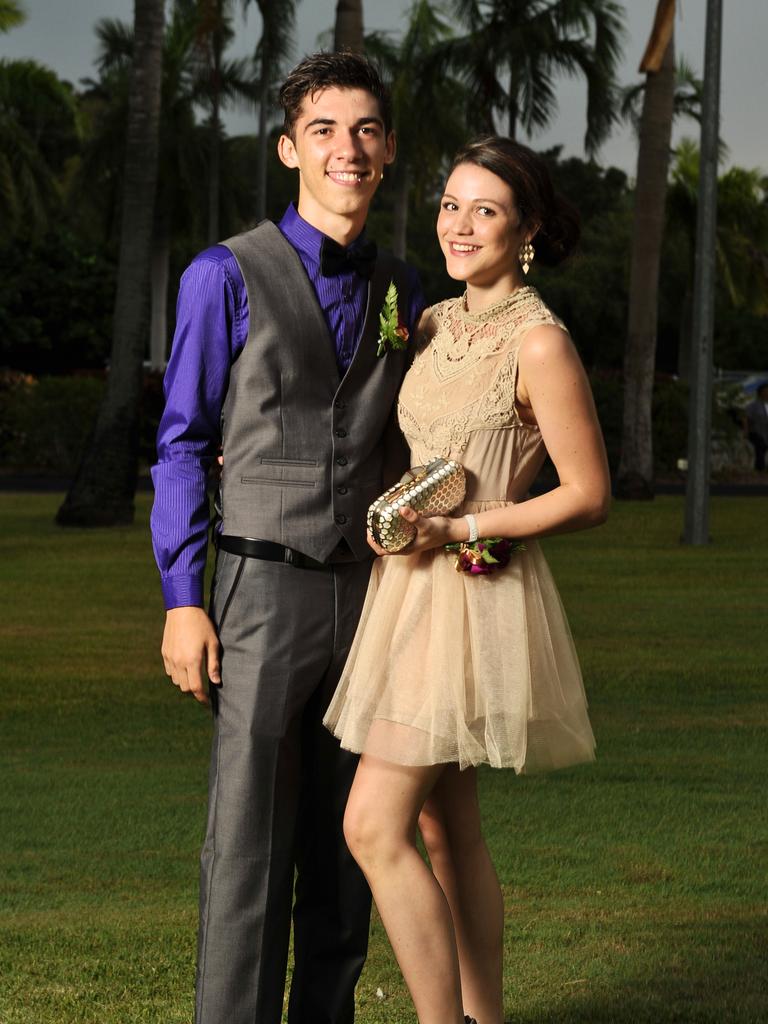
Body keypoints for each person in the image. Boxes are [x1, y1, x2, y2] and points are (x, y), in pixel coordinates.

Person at [150, 52, 424, 1024]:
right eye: (323, 129)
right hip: (262, 590)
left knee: (353, 841)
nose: (345, 148)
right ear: (287, 148)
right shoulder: (223, 274)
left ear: (387, 151)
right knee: (249, 842)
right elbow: (182, 445)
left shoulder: (408, 291)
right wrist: (185, 601)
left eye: (363, 130)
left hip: (380, 597)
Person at [323, 136, 611, 1024]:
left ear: (523, 229)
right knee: (446, 831)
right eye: (451, 204)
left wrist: (461, 528)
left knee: (371, 825)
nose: (460, 224)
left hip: (468, 594)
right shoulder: (437, 321)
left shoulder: (540, 343)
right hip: (406, 594)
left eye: (485, 210)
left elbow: (589, 494)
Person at [745, 381, 768, 471]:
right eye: (765, 392)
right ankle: (760, 468)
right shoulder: (753, 405)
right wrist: (746, 431)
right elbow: (747, 418)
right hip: (756, 431)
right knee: (760, 447)